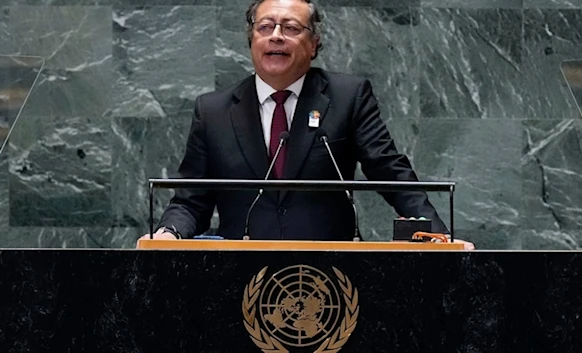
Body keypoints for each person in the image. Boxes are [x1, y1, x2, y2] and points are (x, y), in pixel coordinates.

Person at [138, 0, 474, 250]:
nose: (277, 36)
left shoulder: (347, 97)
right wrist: (169, 233)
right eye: (265, 27)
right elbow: (191, 199)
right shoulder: (213, 110)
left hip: (332, 272)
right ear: (251, 40)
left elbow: (390, 171)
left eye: (291, 28)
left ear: (314, 44)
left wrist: (439, 236)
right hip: (238, 273)